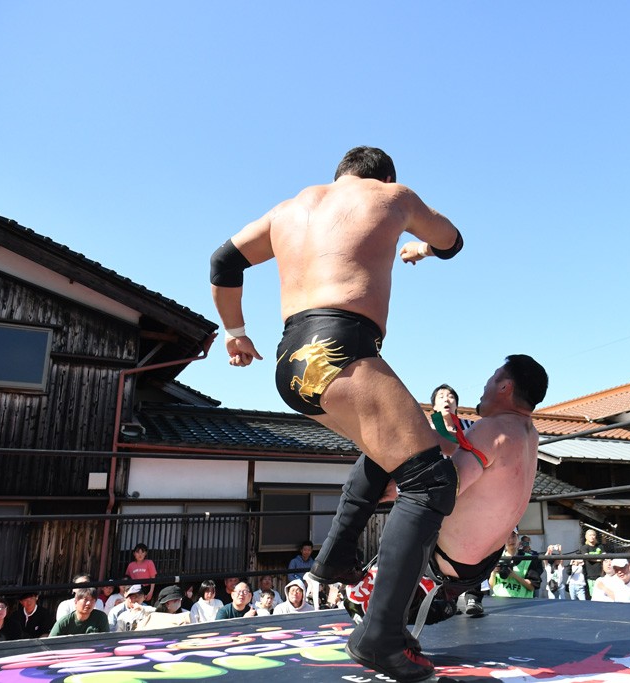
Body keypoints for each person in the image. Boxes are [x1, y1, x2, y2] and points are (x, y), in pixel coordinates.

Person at [211, 146, 464, 681]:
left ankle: (336, 557)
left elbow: (223, 261)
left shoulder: (288, 209)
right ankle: (380, 637)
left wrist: (235, 332)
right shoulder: (392, 195)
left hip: (291, 361)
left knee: (387, 451)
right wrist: (421, 248)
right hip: (340, 347)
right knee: (432, 480)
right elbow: (452, 240)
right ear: (385, 176)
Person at [329, 356, 547, 680]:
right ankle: (386, 618)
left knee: (385, 447)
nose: (485, 386)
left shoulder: (492, 428)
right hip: (477, 565)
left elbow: (444, 487)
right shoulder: (529, 434)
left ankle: (340, 560)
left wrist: (399, 490)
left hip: (447, 556)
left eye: (492, 378)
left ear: (505, 386)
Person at [428, 384, 484, 616]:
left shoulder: (471, 427)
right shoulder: (427, 428)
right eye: (441, 396)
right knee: (437, 545)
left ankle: (473, 596)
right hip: (439, 491)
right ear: (433, 405)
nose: (446, 399)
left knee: (474, 543)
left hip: (469, 491)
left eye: (451, 396)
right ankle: (443, 598)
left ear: (457, 404)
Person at [489, 529, 543, 599]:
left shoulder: (528, 559)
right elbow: (492, 585)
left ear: (518, 538)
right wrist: (493, 572)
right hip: (499, 600)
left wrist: (514, 575)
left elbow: (532, 587)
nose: (511, 540)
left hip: (521, 602)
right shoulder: (497, 558)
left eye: (513, 536)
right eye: (507, 537)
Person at [575, 528, 605, 597]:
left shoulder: (600, 546)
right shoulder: (584, 547)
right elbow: (587, 558)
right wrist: (599, 559)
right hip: (590, 575)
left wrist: (595, 559)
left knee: (602, 594)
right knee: (593, 594)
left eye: (593, 535)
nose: (592, 537)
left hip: (601, 574)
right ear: (586, 537)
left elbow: (604, 556)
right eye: (590, 535)